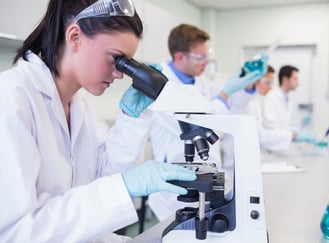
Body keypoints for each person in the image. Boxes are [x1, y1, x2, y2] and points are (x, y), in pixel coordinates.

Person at [0, 0, 197, 242]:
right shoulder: (11, 100)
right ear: (75, 37)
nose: (120, 73)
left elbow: (103, 180)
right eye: (116, 59)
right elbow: (18, 231)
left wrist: (130, 118)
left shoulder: (79, 106)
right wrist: (124, 186)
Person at [147, 23, 267, 221]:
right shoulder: (161, 87)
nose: (206, 62)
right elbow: (201, 125)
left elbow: (227, 109)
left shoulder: (200, 80)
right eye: (200, 57)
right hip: (175, 192)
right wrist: (225, 92)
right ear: (179, 57)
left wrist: (246, 83)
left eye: (207, 55)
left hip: (205, 174)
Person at [262, 65, 316, 143]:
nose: (298, 83)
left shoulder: (287, 99)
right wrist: (292, 135)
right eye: (295, 79)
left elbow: (285, 125)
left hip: (281, 144)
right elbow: (271, 128)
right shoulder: (272, 98)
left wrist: (299, 130)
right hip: (273, 146)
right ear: (285, 79)